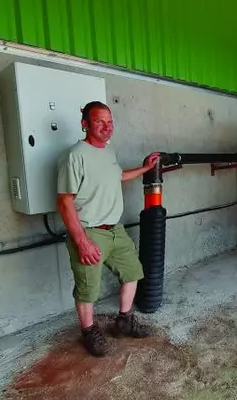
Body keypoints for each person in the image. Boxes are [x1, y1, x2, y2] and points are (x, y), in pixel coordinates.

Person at [56, 100, 160, 357]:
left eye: (110, 122)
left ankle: (124, 321)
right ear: (85, 125)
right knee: (87, 288)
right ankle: (89, 331)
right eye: (99, 122)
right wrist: (81, 241)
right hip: (90, 231)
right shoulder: (75, 155)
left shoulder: (108, 152)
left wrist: (145, 168)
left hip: (116, 229)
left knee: (132, 272)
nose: (107, 127)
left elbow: (119, 176)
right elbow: (64, 200)